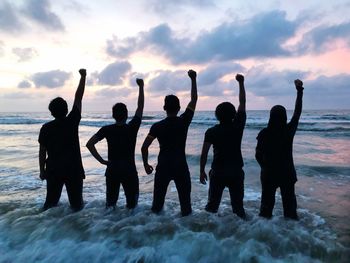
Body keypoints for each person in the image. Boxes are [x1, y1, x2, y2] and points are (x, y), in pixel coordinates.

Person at [141, 70, 197, 216]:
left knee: (157, 206)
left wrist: (146, 164)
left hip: (163, 167)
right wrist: (193, 79)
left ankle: (154, 233)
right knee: (186, 206)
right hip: (180, 166)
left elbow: (144, 147)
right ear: (179, 108)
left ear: (164, 108)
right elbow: (194, 99)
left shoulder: (157, 126)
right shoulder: (184, 121)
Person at [86, 79, 144, 209]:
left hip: (112, 169)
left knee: (111, 204)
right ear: (127, 114)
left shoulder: (107, 129)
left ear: (113, 115)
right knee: (132, 205)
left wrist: (102, 161)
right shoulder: (132, 128)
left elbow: (89, 144)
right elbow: (140, 107)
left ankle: (109, 227)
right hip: (129, 170)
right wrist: (141, 87)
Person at [38, 69, 87, 211]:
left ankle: (42, 228)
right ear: (66, 110)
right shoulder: (72, 121)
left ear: (51, 112)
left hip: (54, 169)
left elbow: (42, 151)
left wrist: (42, 170)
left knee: (50, 204)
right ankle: (78, 230)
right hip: (74, 169)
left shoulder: (46, 128)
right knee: (77, 205)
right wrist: (83, 77)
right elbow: (79, 98)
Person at [199, 74, 247, 219]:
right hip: (236, 172)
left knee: (212, 206)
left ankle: (207, 234)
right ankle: (243, 234)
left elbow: (204, 154)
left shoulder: (211, 131)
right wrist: (241, 83)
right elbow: (243, 102)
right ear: (234, 115)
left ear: (216, 115)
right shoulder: (238, 126)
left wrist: (201, 171)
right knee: (238, 208)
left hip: (218, 172)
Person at [255, 79, 304, 220]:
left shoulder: (264, 133)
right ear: (284, 117)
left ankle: (264, 235)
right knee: (290, 209)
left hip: (269, 173)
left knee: (266, 209)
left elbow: (257, 154)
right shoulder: (288, 131)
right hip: (287, 173)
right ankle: (292, 234)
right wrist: (299, 91)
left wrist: (264, 167)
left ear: (270, 116)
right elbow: (297, 113)